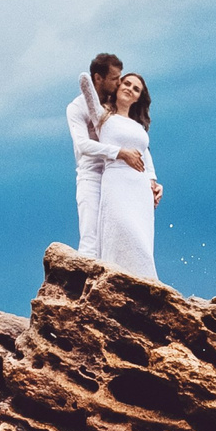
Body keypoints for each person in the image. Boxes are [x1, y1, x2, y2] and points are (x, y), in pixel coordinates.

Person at [94, 71, 163, 281]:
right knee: (121, 229)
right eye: (126, 83)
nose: (130, 89)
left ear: (138, 98)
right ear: (117, 85)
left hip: (140, 190)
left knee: (141, 239)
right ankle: (112, 282)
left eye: (136, 89)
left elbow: (146, 156)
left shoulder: (138, 127)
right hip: (116, 181)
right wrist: (101, 77)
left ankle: (146, 286)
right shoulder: (103, 116)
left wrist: (154, 184)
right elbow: (85, 85)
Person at [65, 54, 128, 260]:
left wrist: (151, 178)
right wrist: (118, 152)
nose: (119, 83)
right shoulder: (76, 108)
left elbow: (134, 137)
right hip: (90, 177)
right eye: (114, 78)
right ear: (98, 78)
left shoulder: (117, 106)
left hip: (116, 176)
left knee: (116, 239)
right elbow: (82, 145)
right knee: (90, 239)